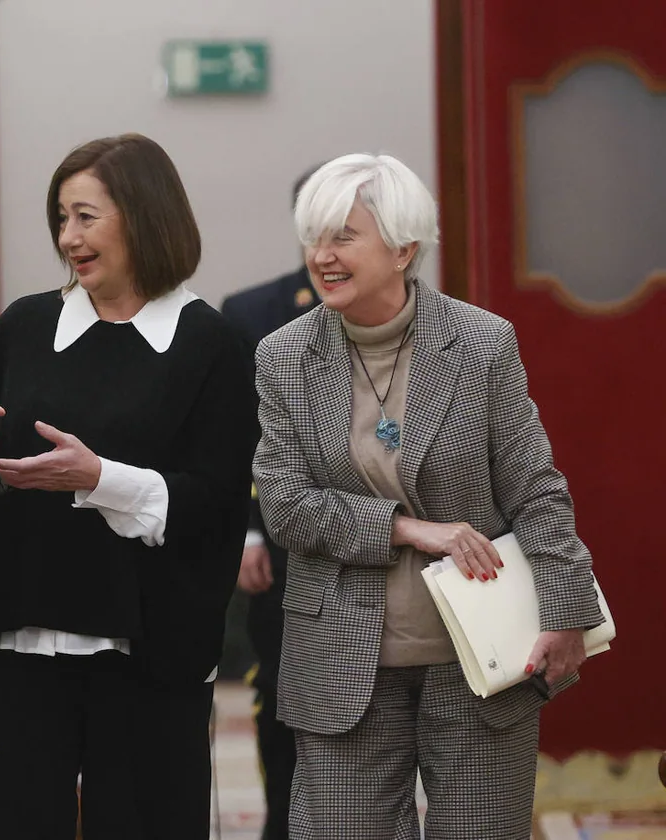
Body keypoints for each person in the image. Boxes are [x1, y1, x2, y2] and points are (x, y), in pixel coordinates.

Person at [253, 152, 604, 839]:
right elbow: (286, 504)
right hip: (343, 659)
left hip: (479, 659)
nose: (320, 256)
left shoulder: (480, 344)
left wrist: (567, 609)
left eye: (342, 237)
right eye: (313, 238)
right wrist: (412, 530)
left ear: (404, 246)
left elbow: (536, 488)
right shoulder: (283, 356)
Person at [0, 133, 258, 839]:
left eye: (86, 217)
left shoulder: (209, 344)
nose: (69, 238)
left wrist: (101, 479)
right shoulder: (24, 326)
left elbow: (215, 504)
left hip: (145, 652)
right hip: (25, 641)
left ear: (144, 217)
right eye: (61, 218)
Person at [219, 166, 322, 840]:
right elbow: (234, 438)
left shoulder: (424, 317)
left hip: (391, 544)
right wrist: (248, 532)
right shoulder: (251, 314)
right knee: (282, 697)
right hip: (285, 544)